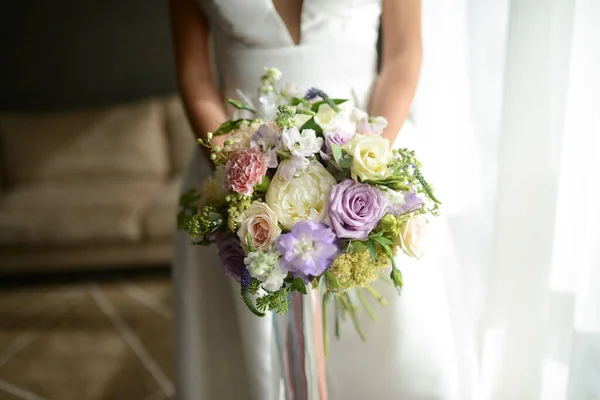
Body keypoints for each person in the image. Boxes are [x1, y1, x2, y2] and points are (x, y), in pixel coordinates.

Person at [169, 0, 462, 398]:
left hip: (373, 147)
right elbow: (195, 74)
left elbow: (403, 54)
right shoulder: (236, 180)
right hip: (233, 163)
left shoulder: (372, 165)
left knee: (390, 347)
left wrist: (368, 172)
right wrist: (240, 180)